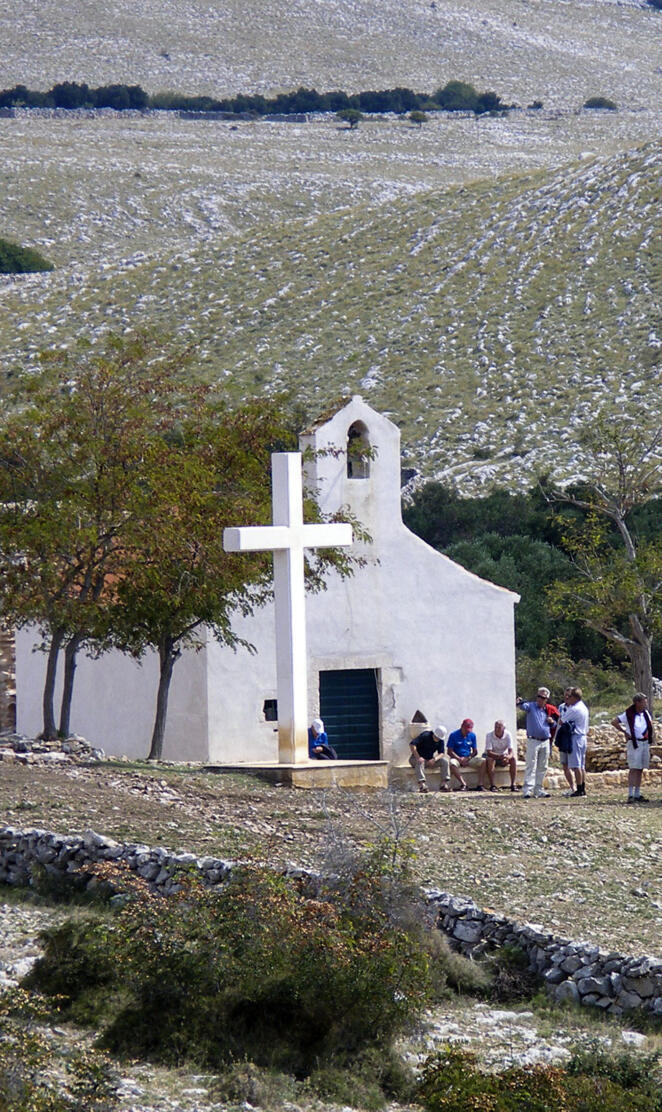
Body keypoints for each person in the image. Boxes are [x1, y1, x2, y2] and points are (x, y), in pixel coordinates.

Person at [612, 693, 655, 803]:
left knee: (640, 768)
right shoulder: (629, 714)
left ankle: (637, 793)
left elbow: (650, 725)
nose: (646, 703)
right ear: (637, 703)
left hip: (644, 743)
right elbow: (614, 722)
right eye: (644, 701)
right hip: (634, 743)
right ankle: (630, 794)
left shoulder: (646, 713)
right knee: (633, 768)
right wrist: (624, 732)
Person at [516, 687, 558, 798]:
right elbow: (522, 706)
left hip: (545, 740)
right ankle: (528, 789)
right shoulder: (531, 706)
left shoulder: (548, 710)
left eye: (543, 697)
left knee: (543, 766)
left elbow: (554, 725)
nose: (540, 699)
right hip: (533, 740)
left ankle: (538, 789)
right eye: (538, 696)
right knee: (531, 765)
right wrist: (519, 701)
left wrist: (552, 721)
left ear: (546, 699)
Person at [560, 686, 590, 797]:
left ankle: (579, 789)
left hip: (576, 736)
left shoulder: (574, 709)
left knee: (576, 765)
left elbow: (561, 721)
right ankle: (582, 787)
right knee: (581, 765)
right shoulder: (583, 707)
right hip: (583, 736)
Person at [409, 724, 449, 793]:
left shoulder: (440, 740)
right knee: (420, 762)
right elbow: (412, 744)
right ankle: (422, 785)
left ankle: (444, 784)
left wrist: (434, 759)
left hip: (429, 760)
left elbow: (441, 753)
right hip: (416, 758)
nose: (437, 739)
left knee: (444, 761)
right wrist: (418, 757)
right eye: (436, 738)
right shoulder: (425, 735)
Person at [446, 718, 484, 791]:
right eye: (466, 730)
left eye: (469, 731)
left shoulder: (472, 736)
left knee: (483, 761)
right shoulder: (453, 735)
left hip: (468, 757)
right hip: (457, 757)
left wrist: (468, 758)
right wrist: (459, 759)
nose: (467, 732)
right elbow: (449, 751)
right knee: (452, 764)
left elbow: (475, 751)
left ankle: (480, 784)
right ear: (462, 727)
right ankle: (463, 784)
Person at [483, 719, 517, 792]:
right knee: (490, 760)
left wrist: (508, 757)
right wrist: (499, 756)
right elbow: (489, 752)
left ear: (504, 728)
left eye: (499, 727)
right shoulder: (489, 735)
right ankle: (492, 785)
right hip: (492, 755)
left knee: (513, 759)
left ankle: (513, 784)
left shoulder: (508, 735)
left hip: (503, 755)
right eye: (496, 727)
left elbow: (511, 751)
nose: (497, 729)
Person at [556, 687, 575, 795]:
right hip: (563, 738)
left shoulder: (576, 708)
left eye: (569, 695)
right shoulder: (561, 707)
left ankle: (580, 786)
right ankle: (572, 787)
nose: (567, 697)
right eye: (565, 695)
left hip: (573, 738)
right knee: (565, 764)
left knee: (576, 764)